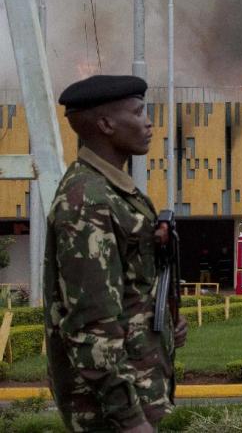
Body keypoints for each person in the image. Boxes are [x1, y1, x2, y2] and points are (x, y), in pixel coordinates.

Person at [44, 74, 188, 432]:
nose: (149, 122)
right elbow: (92, 321)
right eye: (139, 113)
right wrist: (129, 418)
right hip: (111, 408)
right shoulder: (87, 200)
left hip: (139, 385)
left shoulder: (115, 191)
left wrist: (167, 324)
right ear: (106, 124)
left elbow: (127, 287)